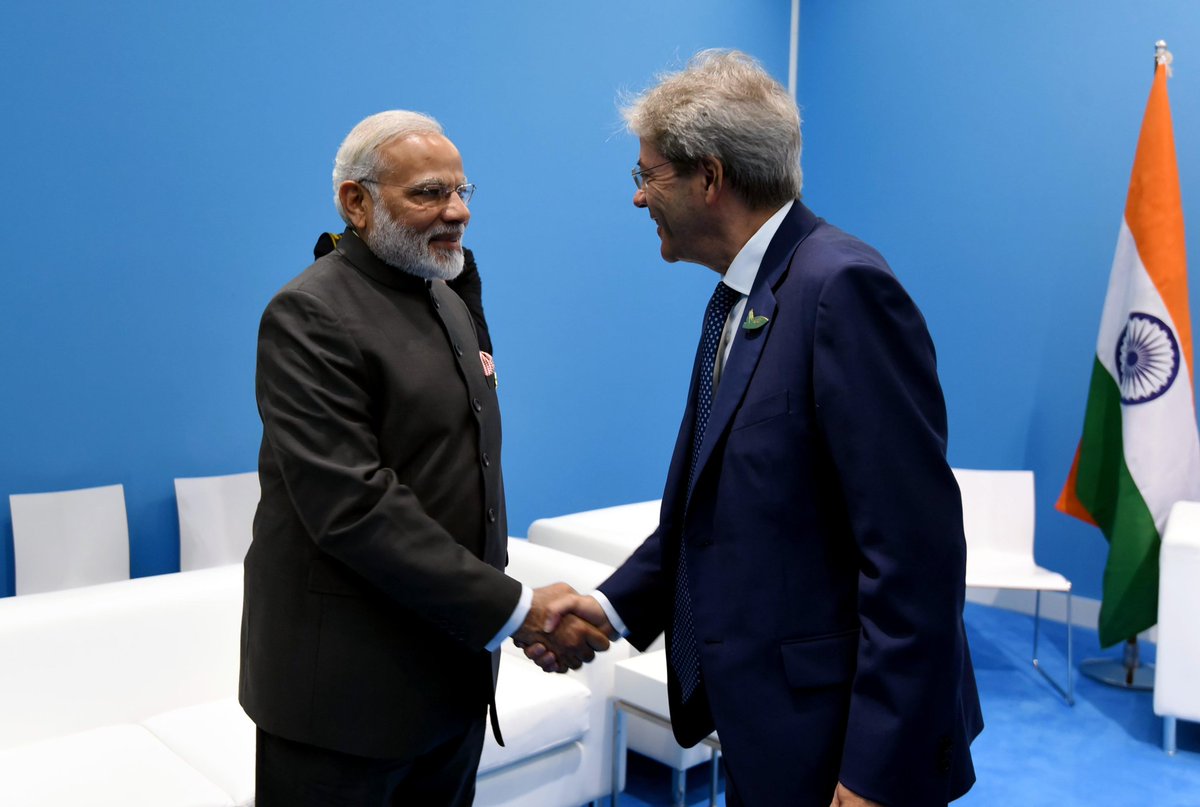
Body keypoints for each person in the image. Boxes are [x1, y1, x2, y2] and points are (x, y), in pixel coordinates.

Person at [531, 51, 984, 806]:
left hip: (841, 746)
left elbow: (915, 557)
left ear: (708, 179)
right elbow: (717, 513)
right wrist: (611, 608)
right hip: (765, 727)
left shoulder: (842, 288)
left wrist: (873, 774)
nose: (639, 198)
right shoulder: (740, 299)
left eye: (647, 176)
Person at [240, 109, 608, 807]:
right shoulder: (306, 315)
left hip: (453, 677)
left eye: (463, 191)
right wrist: (518, 608)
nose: (458, 211)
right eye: (430, 193)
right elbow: (353, 506)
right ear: (357, 201)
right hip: (342, 707)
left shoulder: (451, 294)